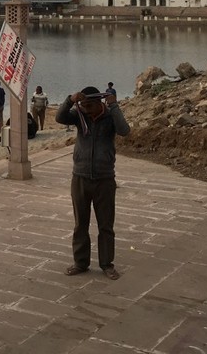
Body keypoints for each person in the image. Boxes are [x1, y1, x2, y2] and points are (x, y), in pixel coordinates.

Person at [56, 86, 131, 280]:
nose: (86, 109)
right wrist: (70, 100)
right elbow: (60, 118)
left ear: (99, 104)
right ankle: (80, 262)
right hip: (80, 177)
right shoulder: (80, 116)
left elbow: (124, 130)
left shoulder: (109, 117)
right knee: (80, 223)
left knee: (106, 224)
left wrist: (114, 107)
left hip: (104, 178)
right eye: (83, 105)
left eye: (90, 106)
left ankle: (107, 264)